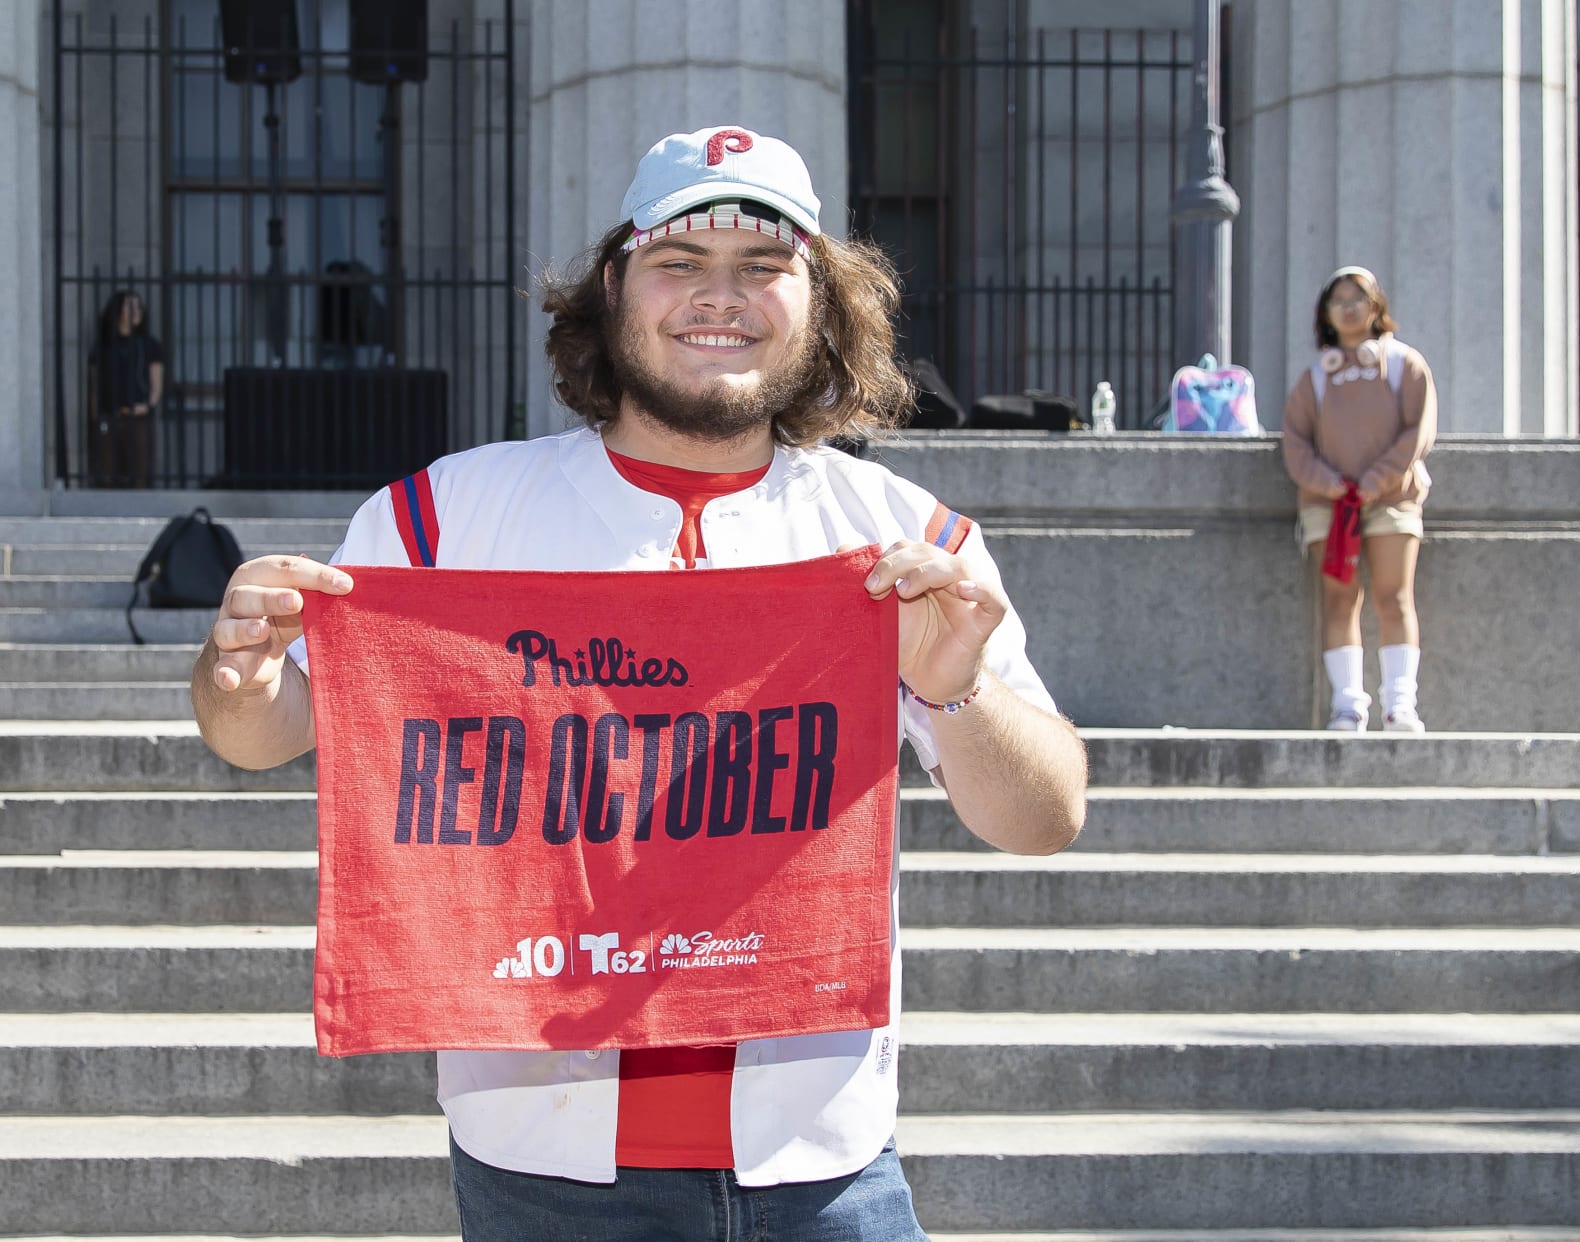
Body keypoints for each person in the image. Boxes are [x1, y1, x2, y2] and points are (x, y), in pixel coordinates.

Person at [189, 123, 1088, 1240]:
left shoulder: (904, 539)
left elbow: (1048, 816)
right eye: (679, 263)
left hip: (823, 1167)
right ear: (615, 287)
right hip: (540, 1170)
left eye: (765, 268)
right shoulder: (445, 518)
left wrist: (955, 692)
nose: (722, 298)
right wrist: (239, 671)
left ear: (823, 303)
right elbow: (264, 733)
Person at [1279, 265, 1438, 732]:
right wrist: (1330, 483)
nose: (1348, 308)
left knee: (1395, 597)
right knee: (1339, 601)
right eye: (1338, 300)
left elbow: (1419, 430)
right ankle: (1347, 705)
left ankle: (1400, 704)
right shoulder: (1314, 379)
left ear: (1377, 307)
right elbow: (1295, 442)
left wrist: (1377, 479)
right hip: (1329, 507)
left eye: (1358, 298)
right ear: (1326, 313)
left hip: (1393, 500)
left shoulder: (1405, 364)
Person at [86, 289, 164, 488]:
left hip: (137, 417)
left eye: (138, 306)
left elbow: (156, 385)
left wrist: (147, 406)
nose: (136, 311)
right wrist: (97, 418)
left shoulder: (149, 345)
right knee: (107, 475)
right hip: (109, 416)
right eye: (130, 306)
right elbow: (95, 387)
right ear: (118, 310)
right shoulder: (103, 346)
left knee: (139, 474)